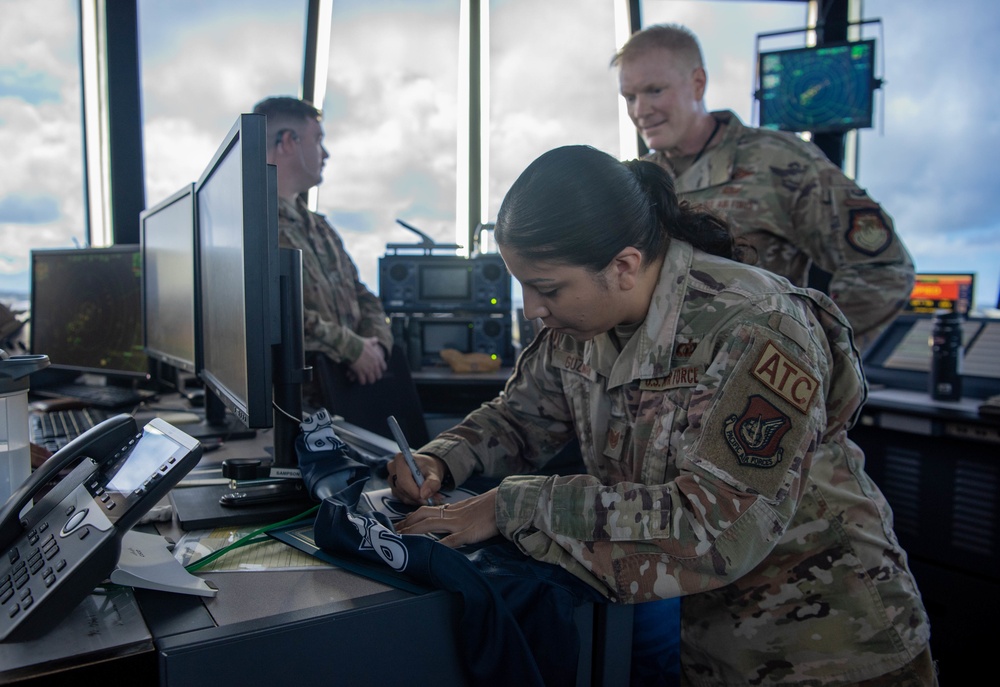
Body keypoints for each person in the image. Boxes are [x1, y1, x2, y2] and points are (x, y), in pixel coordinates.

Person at [387, 145, 936, 686]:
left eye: (546, 287)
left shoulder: (757, 325)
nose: (531, 307)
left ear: (624, 265)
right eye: (523, 285)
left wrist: (512, 504)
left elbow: (714, 527)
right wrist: (442, 459)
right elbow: (519, 418)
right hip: (705, 642)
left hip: (833, 648)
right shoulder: (575, 327)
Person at [612, 24, 914, 353]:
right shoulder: (637, 181)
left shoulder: (779, 161)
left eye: (655, 91)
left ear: (697, 83)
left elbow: (884, 270)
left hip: (755, 388)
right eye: (630, 97)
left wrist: (808, 350)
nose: (640, 110)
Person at [252, 97, 427, 445]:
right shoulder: (254, 227)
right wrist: (351, 348)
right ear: (288, 142)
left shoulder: (319, 228)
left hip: (352, 396)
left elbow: (364, 294)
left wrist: (375, 346)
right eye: (318, 140)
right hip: (299, 413)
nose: (325, 153)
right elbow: (275, 314)